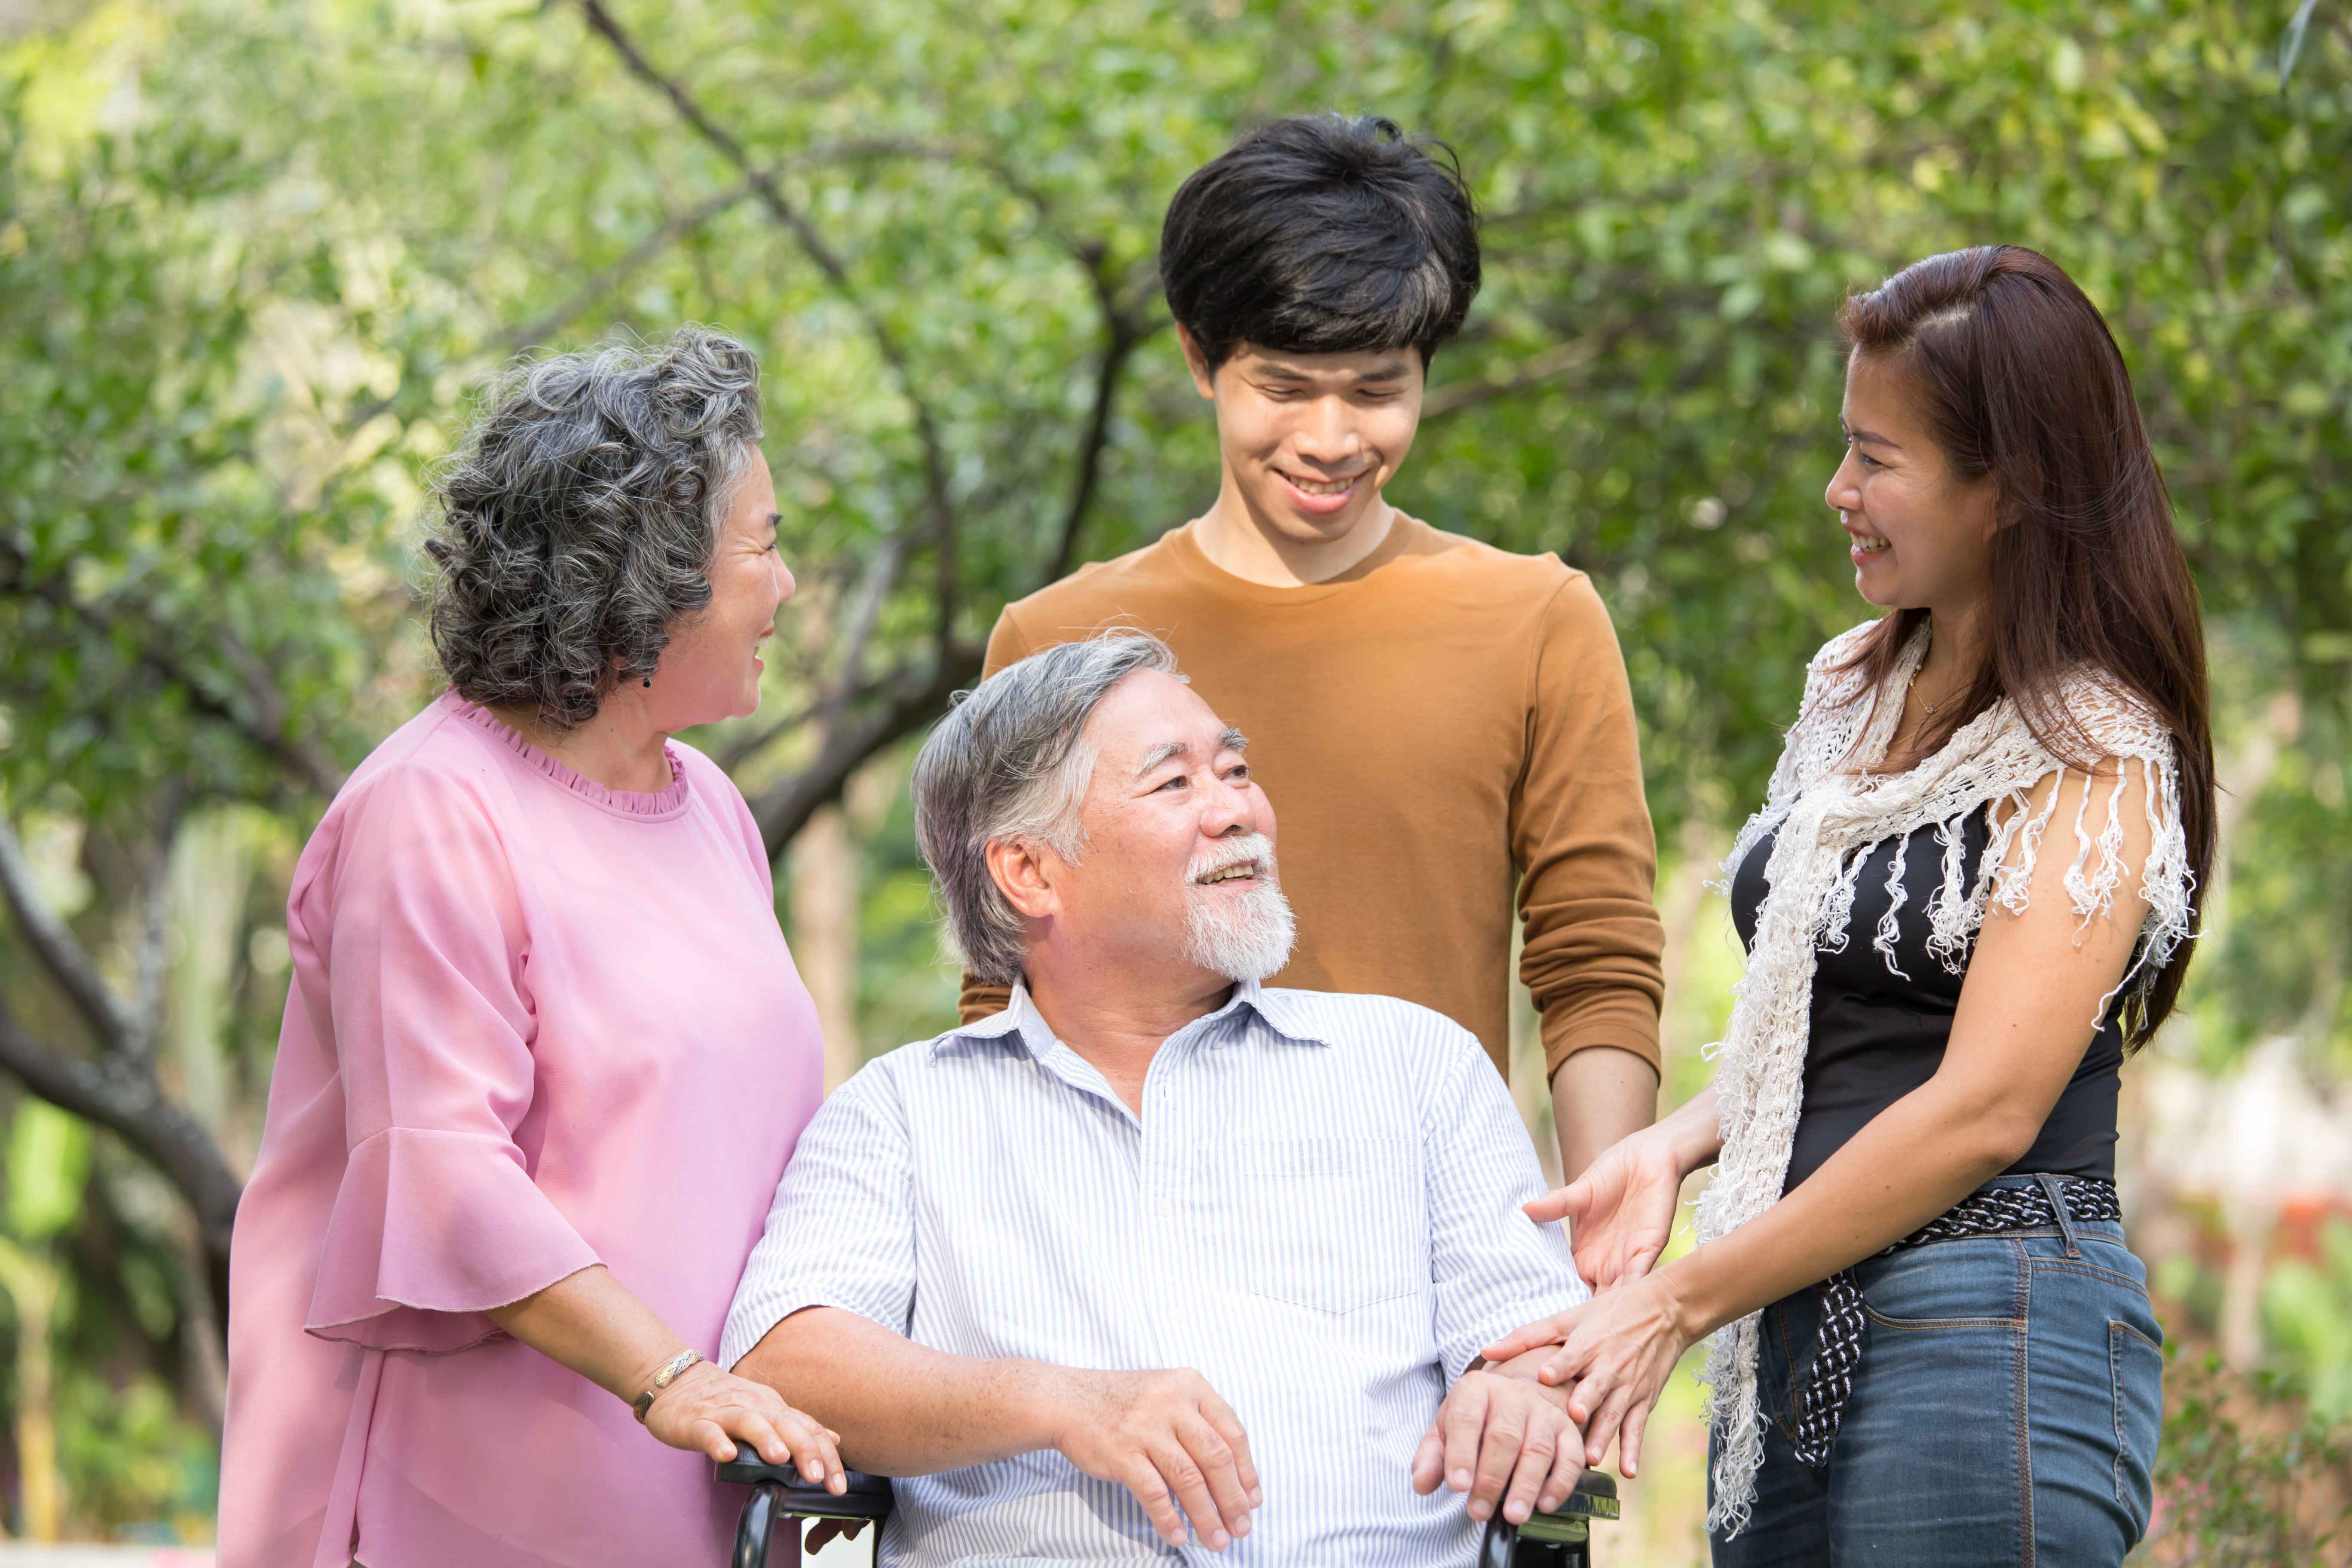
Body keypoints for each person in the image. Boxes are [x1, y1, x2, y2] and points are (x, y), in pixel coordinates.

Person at [1483, 246, 2213, 1566]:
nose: (1841, 493)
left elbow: (1988, 1104)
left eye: (1877, 460)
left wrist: (1673, 1303)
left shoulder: (2095, 748)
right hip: (1800, 1313)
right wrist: (1678, 1146)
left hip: (1992, 1324)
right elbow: (1829, 1024)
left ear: (2007, 489)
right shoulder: (1859, 683)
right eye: (1845, 448)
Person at [722, 633, 1593, 1565]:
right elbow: (784, 1370)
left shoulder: (1416, 1066)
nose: (1237, 811)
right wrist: (1061, 1403)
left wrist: (1525, 1396)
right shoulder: (898, 1111)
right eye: (1175, 784)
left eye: (1236, 768)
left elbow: (1538, 1349)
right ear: (1030, 871)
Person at [220, 328, 847, 1568]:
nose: (787, 589)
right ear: (650, 572)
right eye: (765, 546)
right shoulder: (429, 813)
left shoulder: (713, 807)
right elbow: (443, 1172)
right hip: (479, 1497)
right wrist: (669, 1375)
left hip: (698, 1477)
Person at [962, 113, 1665, 1180]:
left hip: (1426, 1238)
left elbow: (1595, 963)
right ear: (1202, 360)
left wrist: (1605, 1239)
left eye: (1378, 391)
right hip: (1125, 1240)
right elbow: (1003, 982)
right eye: (1285, 388)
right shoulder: (1056, 639)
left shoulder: (1536, 619)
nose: (1332, 441)